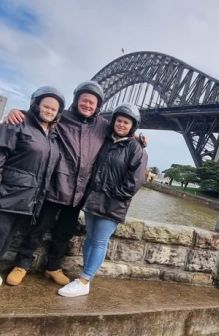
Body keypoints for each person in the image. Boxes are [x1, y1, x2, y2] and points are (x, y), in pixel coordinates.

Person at [5, 81, 147, 287]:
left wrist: (137, 137)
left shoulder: (103, 125)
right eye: (84, 100)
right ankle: (22, 265)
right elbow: (40, 116)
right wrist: (15, 112)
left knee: (64, 232)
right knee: (38, 227)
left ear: (97, 106)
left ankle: (53, 267)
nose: (87, 105)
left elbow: (122, 132)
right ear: (77, 100)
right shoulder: (62, 117)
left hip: (80, 192)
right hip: (56, 186)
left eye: (92, 102)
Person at [58, 103, 147, 297]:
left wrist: (114, 195)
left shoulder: (135, 148)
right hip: (93, 200)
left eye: (126, 122)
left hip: (112, 204)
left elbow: (135, 181)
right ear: (113, 121)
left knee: (99, 241)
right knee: (90, 238)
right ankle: (85, 278)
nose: (121, 124)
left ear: (132, 126)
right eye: (119, 120)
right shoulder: (105, 141)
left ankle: (84, 280)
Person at [0, 86, 65, 286]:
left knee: (7, 237)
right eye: (46, 106)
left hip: (30, 198)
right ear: (36, 104)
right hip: (9, 192)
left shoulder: (52, 135)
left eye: (54, 109)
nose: (49, 111)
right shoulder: (17, 122)